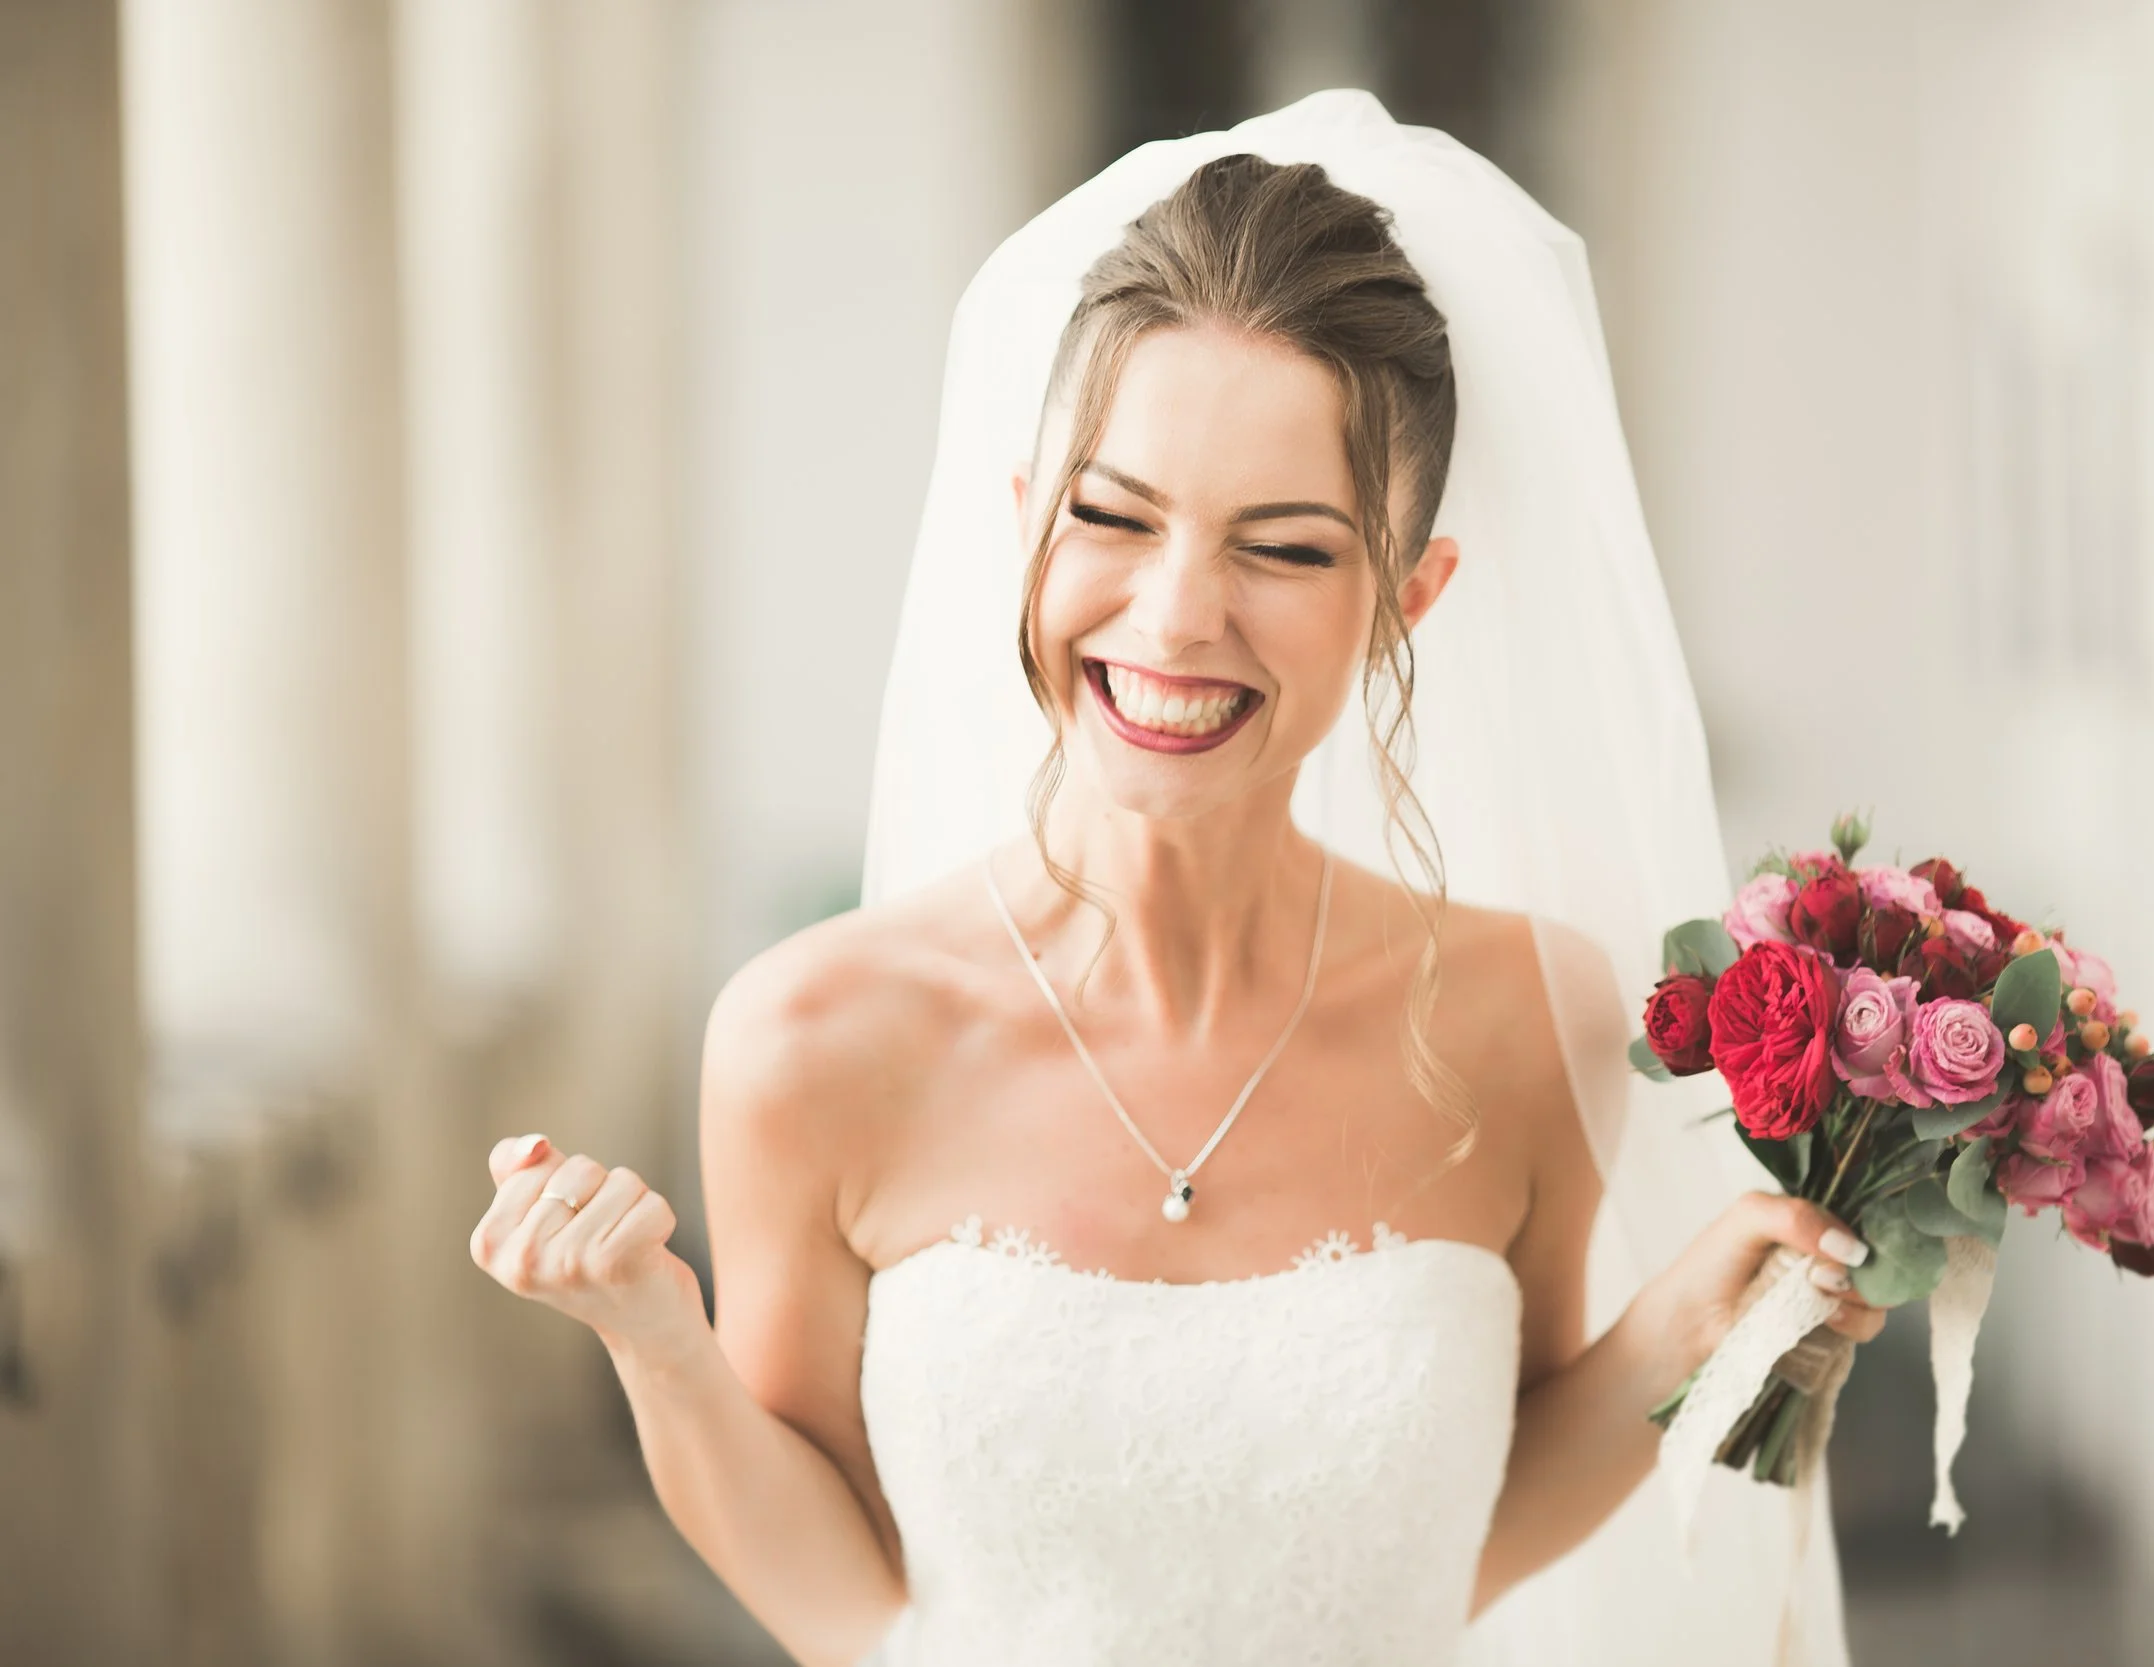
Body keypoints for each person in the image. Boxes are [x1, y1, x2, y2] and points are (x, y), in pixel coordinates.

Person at [470, 91, 1888, 1667]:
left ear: (1410, 595)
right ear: (1024, 523)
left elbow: (1456, 1531)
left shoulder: (1524, 1012)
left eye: (1284, 549)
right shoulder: (809, 1037)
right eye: (1110, 516)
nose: (1174, 616)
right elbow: (850, 1599)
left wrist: (1686, 1331)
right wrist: (658, 1341)